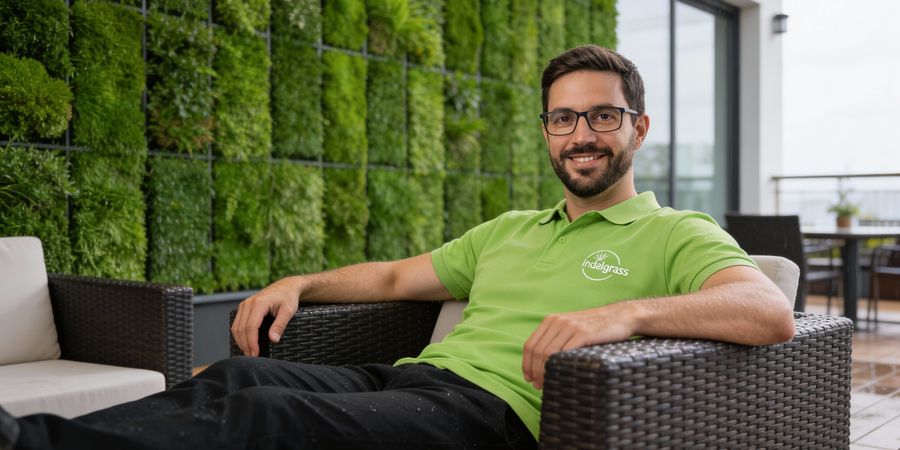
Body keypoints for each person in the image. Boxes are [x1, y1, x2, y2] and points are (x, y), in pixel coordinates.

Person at [1, 45, 795, 450]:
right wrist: (301, 283)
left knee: (264, 415)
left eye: (601, 117)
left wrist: (623, 313)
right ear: (547, 132)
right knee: (242, 371)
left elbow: (768, 309)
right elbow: (389, 275)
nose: (580, 134)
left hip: (496, 417)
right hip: (418, 379)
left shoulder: (673, 232)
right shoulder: (511, 229)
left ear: (637, 129)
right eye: (563, 118)